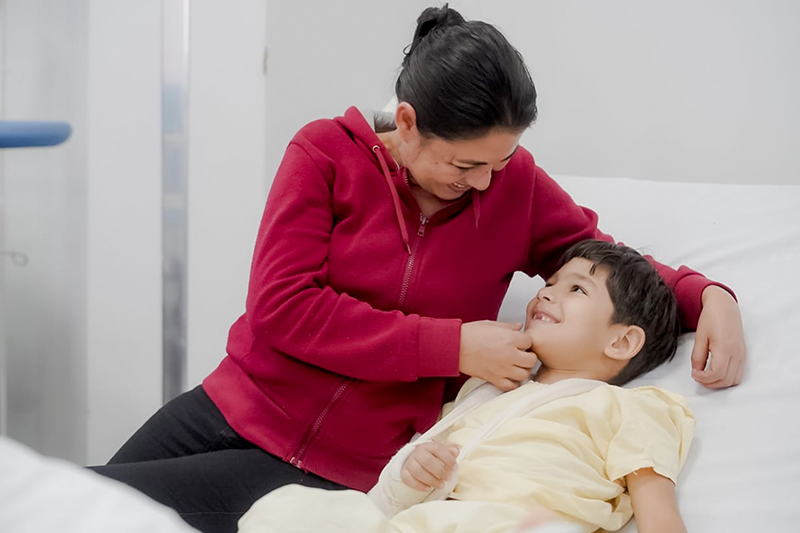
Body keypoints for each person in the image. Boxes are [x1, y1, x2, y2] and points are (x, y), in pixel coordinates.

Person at [90, 5, 744, 533]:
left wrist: (708, 295)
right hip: (229, 406)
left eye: (502, 159)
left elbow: (599, 260)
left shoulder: (510, 186)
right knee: (62, 499)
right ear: (406, 123)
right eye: (466, 165)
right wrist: (452, 344)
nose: (487, 180)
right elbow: (283, 307)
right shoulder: (324, 153)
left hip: (336, 470)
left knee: (85, 508)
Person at [237, 240, 693, 533]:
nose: (546, 293)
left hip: (524, 524)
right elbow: (396, 496)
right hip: (433, 521)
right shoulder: (485, 388)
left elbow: (660, 519)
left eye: (576, 290)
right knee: (282, 511)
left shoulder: (634, 408)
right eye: (550, 283)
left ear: (623, 340)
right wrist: (414, 473)